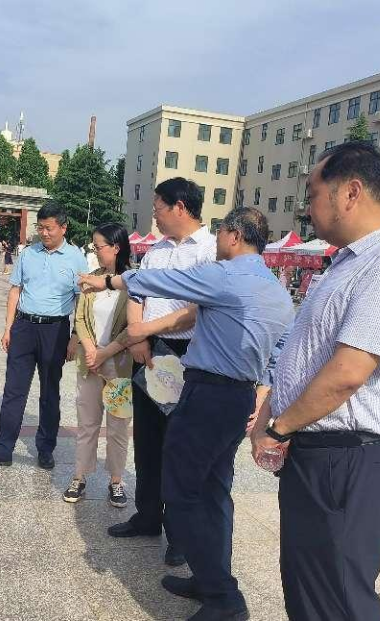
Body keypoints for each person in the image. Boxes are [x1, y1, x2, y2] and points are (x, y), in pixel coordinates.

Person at [81, 207, 294, 621]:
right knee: (214, 491)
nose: (218, 241)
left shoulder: (225, 275)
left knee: (180, 492)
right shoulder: (277, 290)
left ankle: (223, 597)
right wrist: (262, 392)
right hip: (237, 397)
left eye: (222, 233)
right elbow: (280, 350)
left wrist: (107, 280)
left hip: (207, 395)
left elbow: (162, 280)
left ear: (234, 236)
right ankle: (207, 577)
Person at [251, 142, 380, 621]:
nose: (306, 207)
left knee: (338, 601)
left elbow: (349, 372)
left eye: (313, 194)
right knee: (310, 592)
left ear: (350, 192)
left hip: (349, 459)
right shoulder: (349, 262)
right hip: (319, 454)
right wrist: (272, 407)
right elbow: (307, 350)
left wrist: (278, 428)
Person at [105, 178, 217, 569]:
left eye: (158, 206)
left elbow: (200, 309)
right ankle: (148, 514)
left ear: (180, 207)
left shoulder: (210, 251)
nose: (154, 213)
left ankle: (180, 533)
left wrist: (145, 332)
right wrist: (138, 337)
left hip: (187, 354)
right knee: (148, 438)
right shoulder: (155, 251)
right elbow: (137, 294)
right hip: (148, 350)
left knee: (179, 445)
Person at [0, 202, 88, 471]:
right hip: (24, 328)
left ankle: (45, 449)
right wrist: (8, 327)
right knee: (13, 390)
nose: (44, 233)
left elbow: (81, 301)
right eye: (40, 228)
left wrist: (75, 337)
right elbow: (15, 290)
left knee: (50, 392)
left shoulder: (76, 258)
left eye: (49, 228)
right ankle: (3, 449)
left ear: (63, 228)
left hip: (55, 331)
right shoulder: (28, 253)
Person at [63, 223, 133, 509]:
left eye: (98, 246)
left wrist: (105, 353)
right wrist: (91, 351)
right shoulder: (91, 279)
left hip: (120, 367)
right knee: (87, 424)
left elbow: (133, 326)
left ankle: (116, 480)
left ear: (116, 247)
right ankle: (79, 476)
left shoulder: (132, 281)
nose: (95, 251)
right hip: (90, 365)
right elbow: (80, 318)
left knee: (118, 427)